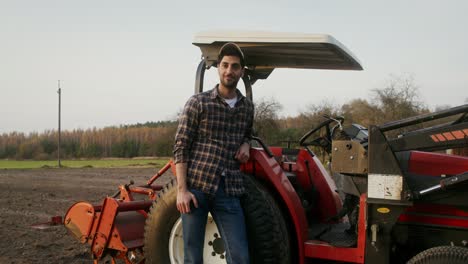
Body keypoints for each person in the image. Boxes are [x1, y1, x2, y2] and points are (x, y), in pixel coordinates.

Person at [173, 42, 254, 264]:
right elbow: (181, 146)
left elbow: (248, 132)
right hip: (197, 187)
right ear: (218, 67)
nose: (229, 71)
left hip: (228, 189)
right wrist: (182, 191)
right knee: (192, 257)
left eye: (235, 66)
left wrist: (246, 143)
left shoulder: (247, 108)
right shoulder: (198, 103)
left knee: (240, 256)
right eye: (225, 65)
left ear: (241, 71)